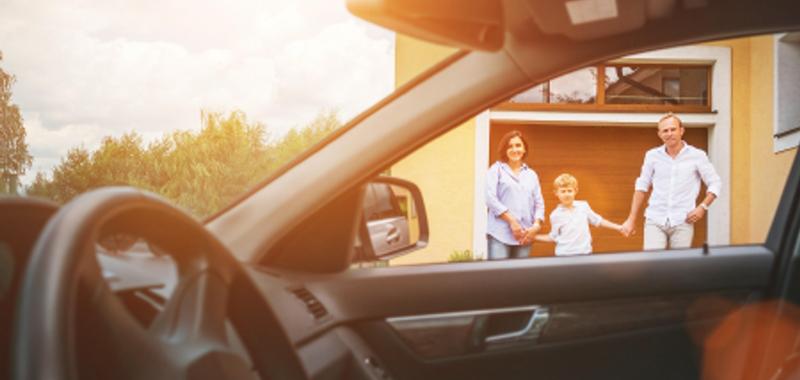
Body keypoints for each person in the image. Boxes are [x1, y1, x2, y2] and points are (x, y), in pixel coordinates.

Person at [620, 113, 722, 250]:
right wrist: (631, 219)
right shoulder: (652, 156)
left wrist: (702, 207)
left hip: (683, 221)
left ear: (681, 130)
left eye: (673, 129)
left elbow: (715, 182)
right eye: (665, 131)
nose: (669, 134)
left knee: (679, 268)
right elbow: (642, 186)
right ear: (659, 134)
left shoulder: (697, 155)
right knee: (652, 264)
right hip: (655, 219)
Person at [486, 130, 545, 259]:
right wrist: (512, 221)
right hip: (499, 235)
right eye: (510, 146)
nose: (514, 149)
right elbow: (490, 199)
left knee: (520, 278)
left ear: (524, 149)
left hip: (525, 236)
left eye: (518, 145)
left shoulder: (531, 175)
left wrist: (536, 225)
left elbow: (539, 203)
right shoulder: (496, 170)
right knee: (499, 276)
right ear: (505, 150)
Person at [535, 173, 626, 256]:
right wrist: (534, 237)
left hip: (585, 253)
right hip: (564, 255)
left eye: (569, 191)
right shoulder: (555, 215)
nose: (567, 194)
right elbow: (553, 237)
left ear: (575, 191)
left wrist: (619, 227)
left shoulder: (583, 206)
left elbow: (598, 221)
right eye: (563, 191)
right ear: (556, 193)